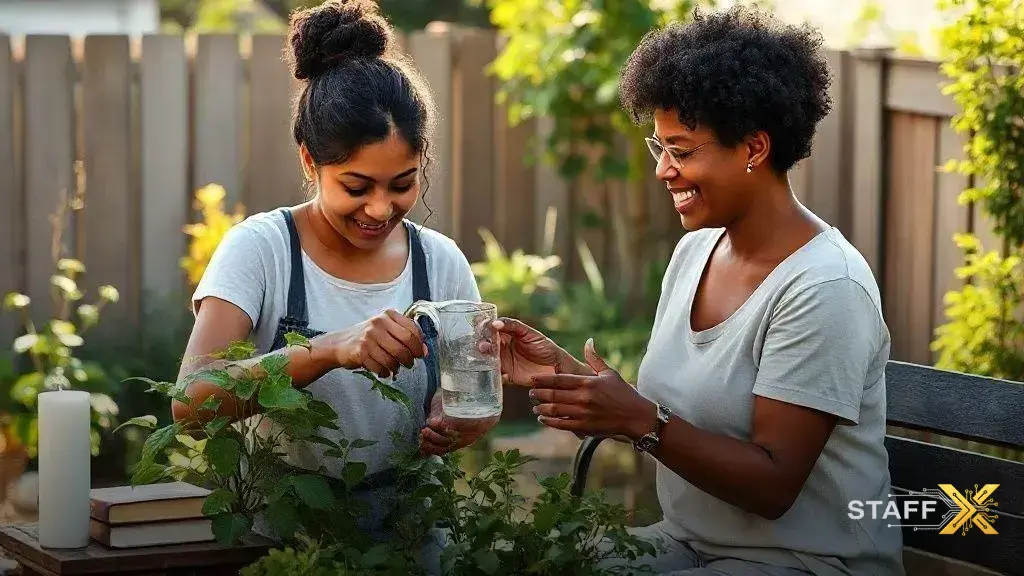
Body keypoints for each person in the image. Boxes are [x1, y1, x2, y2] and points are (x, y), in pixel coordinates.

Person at [495, 6, 904, 576]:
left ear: (754, 149)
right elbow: (685, 411)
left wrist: (639, 420)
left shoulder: (824, 288)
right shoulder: (696, 251)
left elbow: (773, 485)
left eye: (682, 151)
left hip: (806, 563)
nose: (664, 170)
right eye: (659, 148)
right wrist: (574, 381)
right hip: (691, 544)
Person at [170, 0, 496, 570]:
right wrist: (327, 350)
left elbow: (479, 403)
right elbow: (191, 402)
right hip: (279, 542)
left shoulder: (441, 264)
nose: (379, 208)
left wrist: (457, 418)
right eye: (356, 185)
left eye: (402, 184)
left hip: (411, 544)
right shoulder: (262, 250)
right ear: (309, 160)